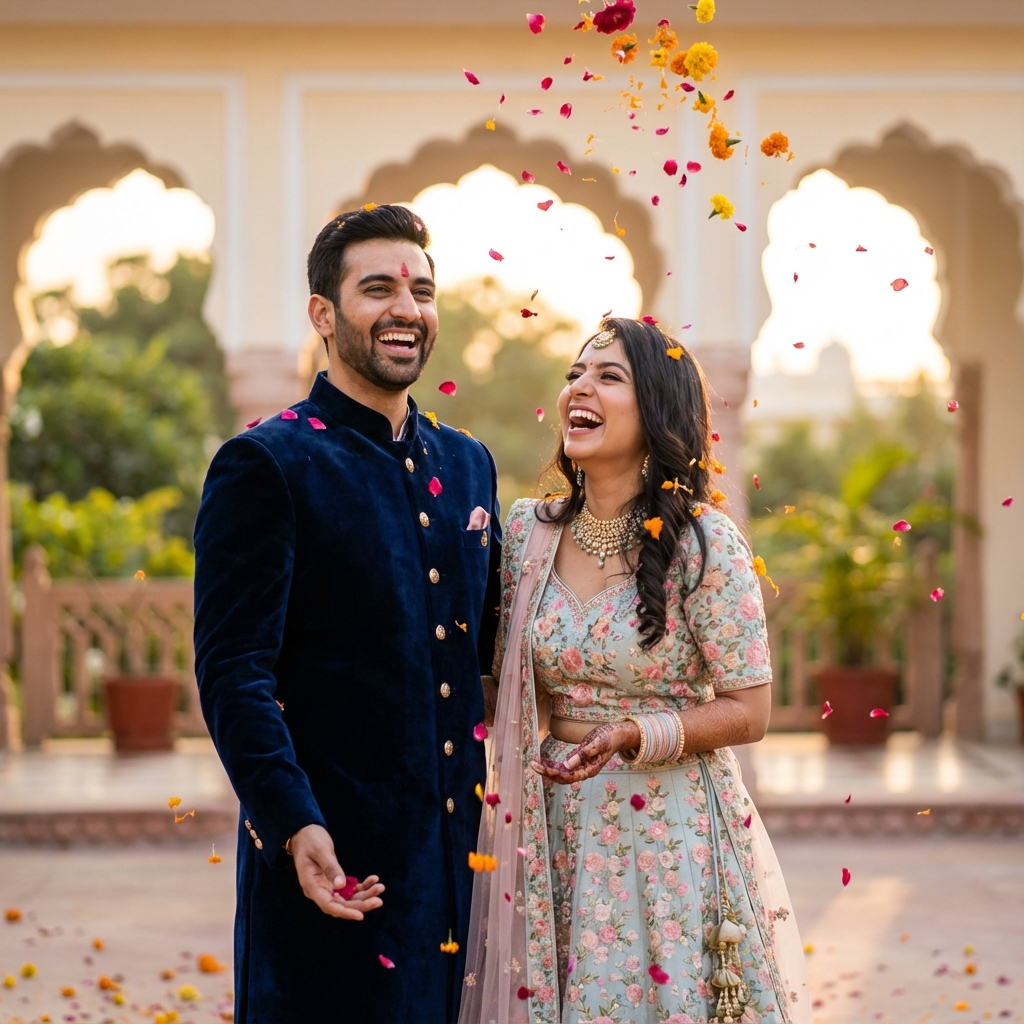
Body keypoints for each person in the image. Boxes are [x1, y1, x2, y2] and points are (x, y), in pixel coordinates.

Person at [194, 205, 501, 1023]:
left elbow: (493, 653)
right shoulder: (267, 464)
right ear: (323, 314)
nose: (407, 308)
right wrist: (292, 822)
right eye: (378, 289)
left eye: (422, 291)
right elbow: (233, 672)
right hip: (329, 865)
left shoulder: (468, 465)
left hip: (457, 873)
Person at [460, 318, 809, 1024]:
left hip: (667, 831)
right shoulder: (528, 531)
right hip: (554, 825)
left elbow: (750, 710)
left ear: (656, 409)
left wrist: (632, 734)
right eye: (574, 375)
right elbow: (503, 681)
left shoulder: (703, 541)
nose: (579, 389)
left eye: (608, 376)